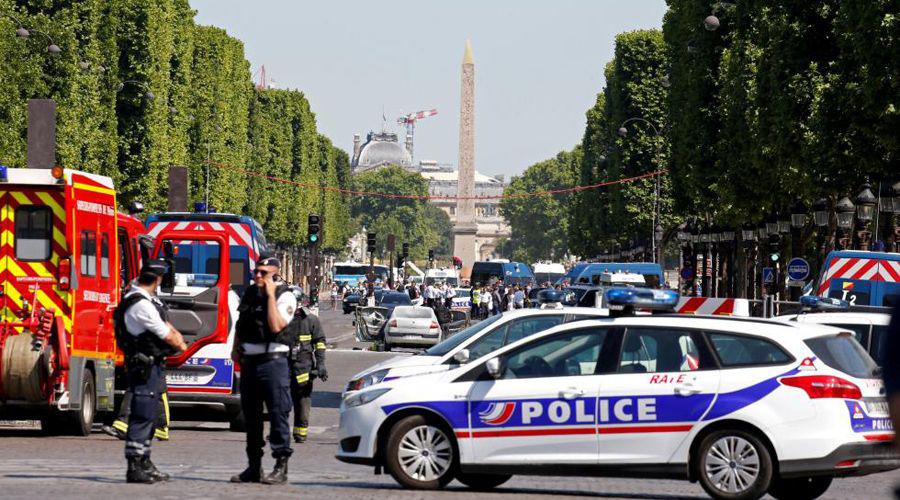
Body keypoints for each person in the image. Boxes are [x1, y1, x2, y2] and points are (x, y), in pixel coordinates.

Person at [113, 260, 187, 484]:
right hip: (143, 365)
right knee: (142, 414)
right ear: (158, 279)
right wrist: (180, 344)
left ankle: (144, 460)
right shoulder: (140, 304)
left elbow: (164, 324)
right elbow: (166, 333)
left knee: (149, 414)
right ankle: (135, 466)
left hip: (149, 364)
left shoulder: (142, 300)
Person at [230, 255, 297, 485]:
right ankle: (254, 466)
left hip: (273, 362)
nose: (257, 276)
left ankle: (280, 466)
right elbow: (241, 322)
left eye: (263, 273)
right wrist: (235, 347)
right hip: (250, 361)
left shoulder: (284, 295)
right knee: (251, 417)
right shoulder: (249, 293)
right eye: (256, 272)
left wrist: (269, 295)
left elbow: (276, 325)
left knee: (278, 414)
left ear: (275, 274)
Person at [290, 303, 327, 443]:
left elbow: (320, 343)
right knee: (283, 402)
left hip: (303, 369)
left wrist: (321, 365)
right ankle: (280, 430)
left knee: (302, 402)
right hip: (286, 366)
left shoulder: (311, 320)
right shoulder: (282, 318)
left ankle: (300, 433)